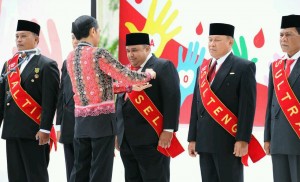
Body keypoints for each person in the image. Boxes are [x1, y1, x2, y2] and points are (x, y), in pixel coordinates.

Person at [68, 15, 156, 182]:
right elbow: (125, 75)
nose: (99, 34)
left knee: (80, 169)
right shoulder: (98, 53)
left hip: (80, 123)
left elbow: (95, 86)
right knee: (100, 170)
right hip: (101, 123)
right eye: (98, 31)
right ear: (92, 31)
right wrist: (147, 75)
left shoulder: (70, 57)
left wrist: (129, 87)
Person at [187, 23, 258, 182]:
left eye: (217, 40)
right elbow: (196, 105)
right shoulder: (202, 68)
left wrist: (243, 139)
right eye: (210, 40)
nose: (212, 44)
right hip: (204, 141)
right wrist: (192, 138)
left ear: (230, 42)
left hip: (229, 142)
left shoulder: (244, 67)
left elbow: (247, 107)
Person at [115, 32, 181, 182]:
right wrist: (118, 133)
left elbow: (172, 99)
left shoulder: (163, 66)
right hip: (127, 141)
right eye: (128, 51)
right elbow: (120, 102)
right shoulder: (126, 71)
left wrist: (168, 130)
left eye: (135, 50)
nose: (131, 55)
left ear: (147, 49)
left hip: (152, 140)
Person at [0, 20, 60, 181]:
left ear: (36, 39)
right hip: (12, 130)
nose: (19, 40)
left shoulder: (47, 65)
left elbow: (50, 101)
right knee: (15, 176)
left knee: (36, 176)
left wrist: (46, 129)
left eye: (23, 36)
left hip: (34, 132)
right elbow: (2, 99)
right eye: (17, 36)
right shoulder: (9, 65)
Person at [264, 14, 300, 182]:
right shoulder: (275, 66)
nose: (283, 39)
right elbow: (270, 105)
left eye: (289, 35)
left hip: (297, 137)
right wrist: (267, 138)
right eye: (281, 35)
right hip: (278, 140)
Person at [56, 33, 78, 181]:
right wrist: (58, 125)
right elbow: (61, 94)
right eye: (72, 38)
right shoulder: (66, 62)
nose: (75, 41)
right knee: (70, 169)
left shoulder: (98, 59)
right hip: (68, 124)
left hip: (89, 125)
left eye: (78, 37)